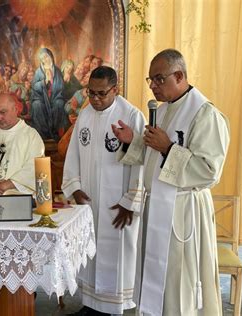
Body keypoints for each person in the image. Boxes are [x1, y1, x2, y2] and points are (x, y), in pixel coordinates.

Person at [112, 49, 230, 315]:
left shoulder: (205, 114)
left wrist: (168, 148)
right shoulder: (162, 110)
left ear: (179, 75)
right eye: (150, 79)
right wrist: (135, 141)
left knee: (180, 284)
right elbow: (154, 157)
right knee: (158, 283)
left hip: (183, 212)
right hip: (157, 209)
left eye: (158, 79)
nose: (152, 86)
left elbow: (210, 171)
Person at [62, 66, 146, 315]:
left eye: (102, 94)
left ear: (115, 89)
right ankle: (90, 305)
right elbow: (74, 154)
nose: (96, 99)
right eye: (91, 93)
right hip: (89, 202)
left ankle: (113, 308)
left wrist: (131, 202)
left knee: (116, 256)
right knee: (90, 255)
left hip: (118, 203)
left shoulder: (132, 116)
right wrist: (75, 188)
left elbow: (142, 162)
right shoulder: (85, 115)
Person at [30, 47, 66, 141]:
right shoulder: (38, 72)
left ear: (51, 56)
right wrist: (44, 81)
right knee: (36, 105)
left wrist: (52, 81)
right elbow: (34, 86)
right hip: (41, 98)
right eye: (42, 58)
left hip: (55, 97)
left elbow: (61, 86)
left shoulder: (57, 71)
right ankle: (43, 134)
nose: (45, 60)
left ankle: (55, 133)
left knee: (59, 104)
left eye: (46, 57)